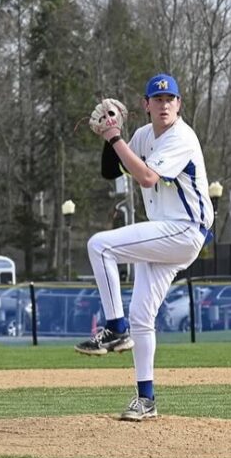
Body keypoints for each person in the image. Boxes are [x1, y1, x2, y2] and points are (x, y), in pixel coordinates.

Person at [75, 73, 213, 422]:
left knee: (100, 246)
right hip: (163, 236)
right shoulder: (143, 136)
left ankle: (114, 328)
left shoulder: (181, 137)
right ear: (146, 105)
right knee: (141, 316)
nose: (165, 105)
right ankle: (146, 400)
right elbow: (112, 171)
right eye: (158, 99)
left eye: (170, 99)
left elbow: (148, 178)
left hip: (183, 231)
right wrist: (110, 134)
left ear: (179, 104)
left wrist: (115, 137)